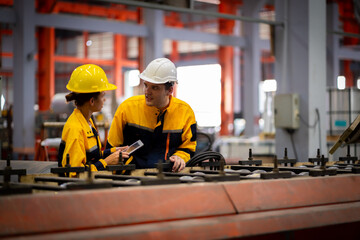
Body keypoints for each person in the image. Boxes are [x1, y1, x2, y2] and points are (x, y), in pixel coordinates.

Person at [106, 58, 197, 172]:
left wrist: (180, 157)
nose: (147, 92)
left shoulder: (185, 112)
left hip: (167, 176)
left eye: (154, 88)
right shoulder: (127, 108)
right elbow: (112, 149)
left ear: (169, 90)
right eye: (146, 85)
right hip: (130, 176)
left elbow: (188, 147)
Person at [58, 64, 129, 177]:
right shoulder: (76, 129)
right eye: (103, 96)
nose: (104, 99)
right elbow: (74, 173)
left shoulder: (87, 121)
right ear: (92, 101)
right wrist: (106, 162)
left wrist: (113, 152)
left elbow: (91, 156)